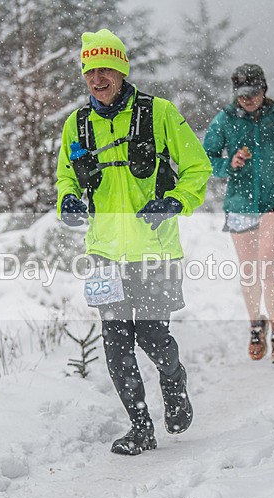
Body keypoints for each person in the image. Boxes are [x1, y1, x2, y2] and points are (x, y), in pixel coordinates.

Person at [56, 29, 212, 455]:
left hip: (154, 250)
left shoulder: (159, 113)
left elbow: (199, 167)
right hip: (104, 252)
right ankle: (141, 427)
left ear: (122, 70)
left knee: (152, 337)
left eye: (106, 68)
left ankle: (173, 378)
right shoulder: (78, 124)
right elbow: (66, 175)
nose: (98, 77)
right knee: (115, 341)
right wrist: (67, 199)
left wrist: (174, 202)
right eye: (90, 70)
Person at [202, 64, 274, 366]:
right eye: (242, 95)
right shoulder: (225, 120)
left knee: (267, 266)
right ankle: (257, 324)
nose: (247, 100)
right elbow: (207, 157)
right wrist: (230, 163)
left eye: (253, 93)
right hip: (240, 201)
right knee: (248, 271)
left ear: (264, 89)